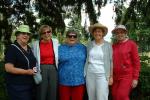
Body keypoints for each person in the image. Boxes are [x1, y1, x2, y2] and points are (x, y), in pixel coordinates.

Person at [4, 25, 37, 100]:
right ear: (17, 36)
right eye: (23, 33)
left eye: (27, 34)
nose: (26, 35)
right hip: (17, 86)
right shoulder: (12, 48)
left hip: (31, 85)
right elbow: (8, 68)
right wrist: (26, 72)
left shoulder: (29, 48)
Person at [111, 25, 141, 100]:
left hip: (126, 76)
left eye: (121, 32)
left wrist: (135, 78)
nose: (119, 34)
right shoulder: (113, 46)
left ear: (125, 33)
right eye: (117, 33)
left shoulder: (131, 44)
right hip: (115, 76)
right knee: (114, 94)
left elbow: (136, 62)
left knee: (121, 95)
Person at [84, 23, 113, 100]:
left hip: (102, 74)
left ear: (103, 33)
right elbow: (87, 58)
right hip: (90, 73)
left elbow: (111, 61)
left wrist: (111, 77)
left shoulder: (108, 45)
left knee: (102, 96)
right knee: (91, 96)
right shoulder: (89, 44)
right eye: (96, 31)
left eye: (99, 31)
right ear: (93, 33)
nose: (97, 33)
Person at [31, 25, 58, 100]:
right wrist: (35, 71)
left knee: (53, 91)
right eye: (44, 33)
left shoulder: (55, 42)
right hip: (41, 69)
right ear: (41, 35)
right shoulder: (35, 44)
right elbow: (32, 60)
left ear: (51, 32)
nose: (46, 34)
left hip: (53, 69)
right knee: (41, 92)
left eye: (48, 32)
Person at [58, 30, 87, 100]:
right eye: (70, 36)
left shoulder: (83, 48)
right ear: (66, 37)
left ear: (77, 38)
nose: (72, 38)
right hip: (64, 80)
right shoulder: (60, 48)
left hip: (79, 80)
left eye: (74, 36)